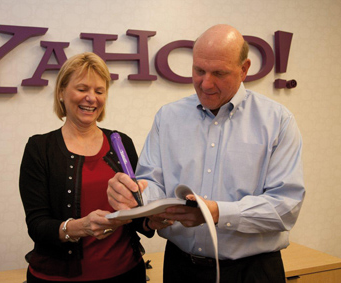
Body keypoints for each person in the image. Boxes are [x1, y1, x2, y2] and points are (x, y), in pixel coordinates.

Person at [107, 24, 305, 283]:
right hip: (181, 268)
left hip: (253, 272)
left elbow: (285, 206)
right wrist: (136, 195)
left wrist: (215, 212)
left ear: (244, 69)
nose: (206, 83)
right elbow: (153, 183)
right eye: (198, 70)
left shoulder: (277, 121)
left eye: (219, 73)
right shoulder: (168, 117)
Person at [19, 52, 154, 283]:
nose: (91, 98)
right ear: (61, 92)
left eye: (99, 91)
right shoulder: (39, 148)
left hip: (127, 273)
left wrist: (155, 218)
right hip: (58, 278)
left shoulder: (120, 142)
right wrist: (80, 227)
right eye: (82, 89)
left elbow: (136, 210)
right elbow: (37, 225)